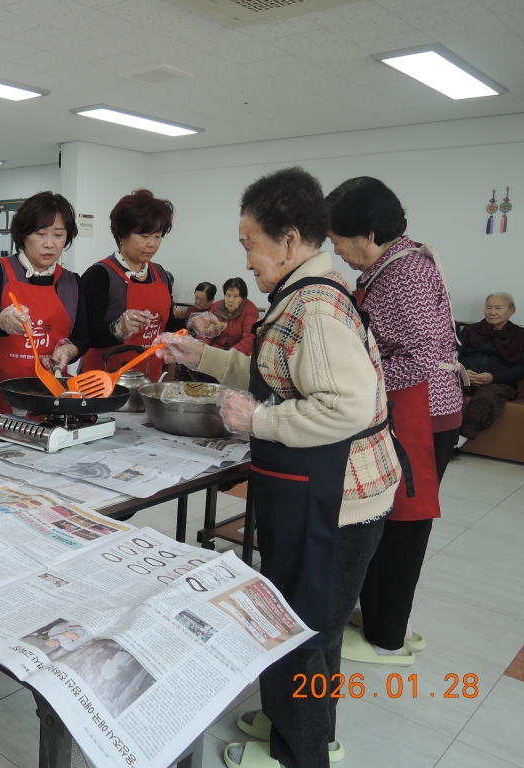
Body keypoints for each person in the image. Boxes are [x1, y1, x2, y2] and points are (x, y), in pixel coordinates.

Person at [157, 168, 405, 768]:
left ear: (289, 240)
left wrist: (259, 421)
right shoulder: (302, 291)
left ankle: (301, 751)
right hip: (319, 489)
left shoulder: (314, 306)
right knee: (304, 617)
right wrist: (205, 356)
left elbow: (348, 406)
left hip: (338, 499)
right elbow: (276, 373)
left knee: (306, 628)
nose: (246, 258)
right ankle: (290, 722)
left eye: (250, 244)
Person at [325, 176, 462, 665]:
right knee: (384, 519)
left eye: (339, 240)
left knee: (402, 526)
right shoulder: (391, 266)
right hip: (409, 407)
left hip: (419, 411)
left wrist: (358, 374)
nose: (337, 251)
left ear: (368, 234)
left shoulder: (405, 274)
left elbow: (421, 358)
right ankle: (382, 616)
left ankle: (387, 636)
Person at [0, 191, 88, 415]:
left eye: (58, 235)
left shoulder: (72, 282)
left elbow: (82, 337)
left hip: (52, 393)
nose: (49, 244)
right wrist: (3, 321)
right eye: (40, 234)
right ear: (23, 235)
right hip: (3, 392)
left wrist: (69, 351)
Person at [81, 189, 174, 380]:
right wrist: (116, 329)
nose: (152, 244)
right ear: (122, 236)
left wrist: (192, 324)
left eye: (158, 236)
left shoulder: (160, 274)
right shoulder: (99, 275)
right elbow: (84, 335)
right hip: (104, 379)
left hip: (148, 377)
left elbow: (167, 323)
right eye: (145, 236)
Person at [459, 292, 524, 439]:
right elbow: (454, 355)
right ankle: (442, 436)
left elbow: (520, 369)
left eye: (498, 308)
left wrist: (493, 377)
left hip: (499, 383)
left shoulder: (520, 336)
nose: (492, 312)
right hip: (465, 377)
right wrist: (462, 372)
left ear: (511, 310)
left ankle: (460, 440)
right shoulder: (470, 330)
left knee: (486, 399)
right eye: (489, 308)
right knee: (445, 391)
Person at [207, 277, 258, 355]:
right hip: (215, 349)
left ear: (243, 298)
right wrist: (202, 348)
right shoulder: (215, 307)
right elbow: (206, 332)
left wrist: (229, 356)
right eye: (228, 295)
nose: (230, 300)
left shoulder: (250, 310)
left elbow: (248, 339)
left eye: (235, 296)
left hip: (236, 353)